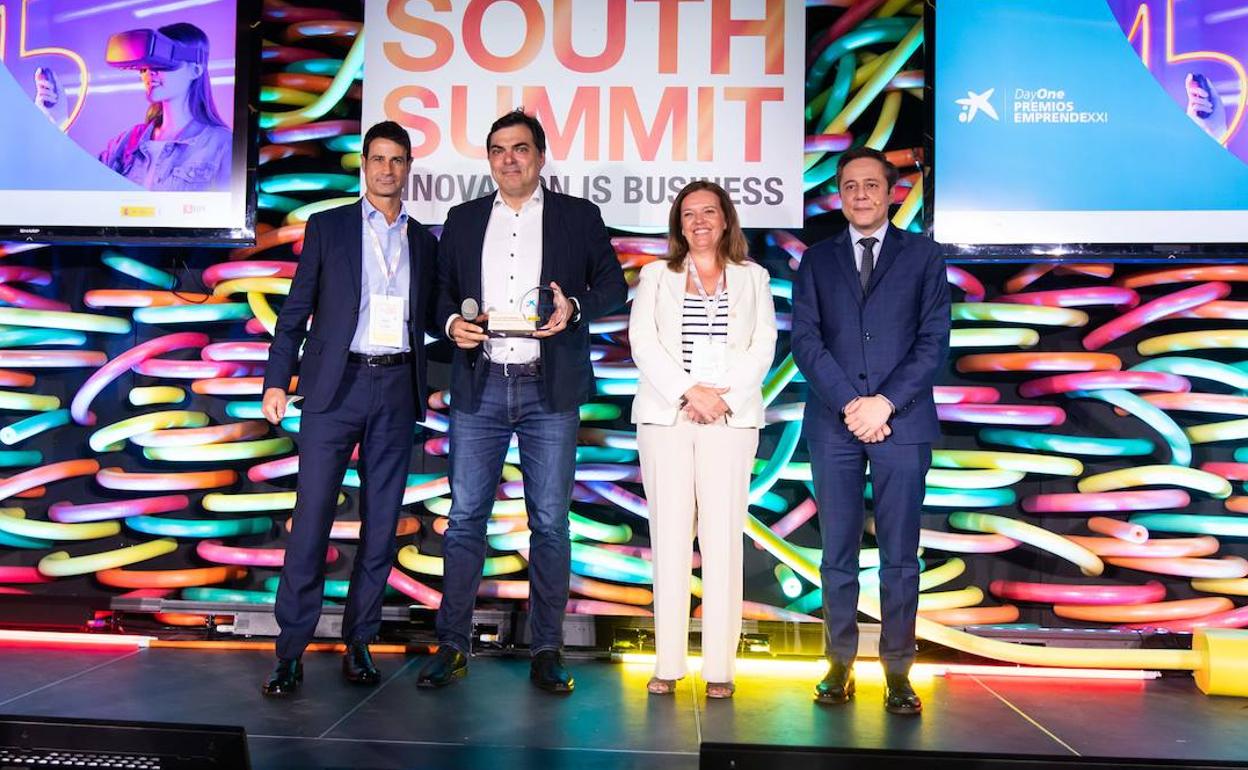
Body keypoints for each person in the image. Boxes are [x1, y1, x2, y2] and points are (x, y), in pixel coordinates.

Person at [416, 109, 627, 694]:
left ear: (540, 156)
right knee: (463, 521)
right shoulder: (461, 220)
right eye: (499, 149)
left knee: (551, 524)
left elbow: (613, 284)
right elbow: (437, 298)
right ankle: (452, 646)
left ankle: (547, 649)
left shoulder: (577, 216)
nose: (510, 158)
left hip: (547, 386)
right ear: (490, 159)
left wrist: (575, 308)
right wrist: (451, 323)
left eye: (521, 148)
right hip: (479, 382)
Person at [258, 121, 439, 697]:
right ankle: (290, 652)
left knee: (381, 527)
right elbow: (296, 309)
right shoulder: (328, 227)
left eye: (398, 160)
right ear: (364, 164)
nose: (388, 170)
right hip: (334, 389)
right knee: (310, 521)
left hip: (394, 389)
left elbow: (430, 320)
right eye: (379, 159)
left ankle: (359, 641)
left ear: (409, 168)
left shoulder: (424, 241)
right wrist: (275, 379)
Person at [791, 147, 950, 715]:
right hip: (834, 425)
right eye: (850, 186)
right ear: (839, 194)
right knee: (836, 552)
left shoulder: (925, 257)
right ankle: (839, 666)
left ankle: (899, 672)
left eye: (871, 186)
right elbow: (805, 341)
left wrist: (882, 403)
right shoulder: (816, 260)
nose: (860, 195)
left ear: (891, 193)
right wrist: (851, 404)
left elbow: (933, 342)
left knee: (900, 555)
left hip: (902, 423)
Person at [628, 181, 776, 699]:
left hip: (729, 421)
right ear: (678, 224)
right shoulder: (655, 275)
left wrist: (720, 398)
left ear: (725, 219)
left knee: (722, 540)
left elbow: (763, 346)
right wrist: (688, 392)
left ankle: (721, 669)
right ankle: (667, 662)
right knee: (669, 539)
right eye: (688, 214)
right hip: (668, 419)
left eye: (708, 212)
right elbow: (642, 341)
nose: (699, 222)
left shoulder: (753, 277)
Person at [96, 23, 232, 191]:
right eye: (145, 66)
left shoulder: (222, 145)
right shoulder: (125, 142)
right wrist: (58, 116)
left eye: (162, 63)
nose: (149, 73)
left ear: (195, 71)